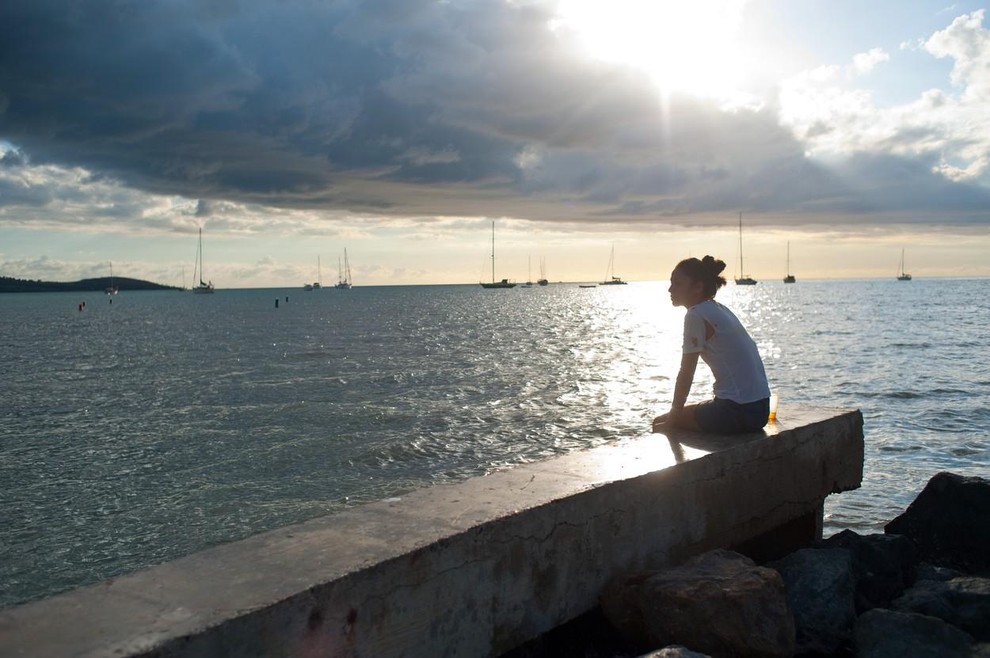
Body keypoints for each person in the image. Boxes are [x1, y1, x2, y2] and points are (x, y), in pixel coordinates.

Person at [652, 255, 771, 434]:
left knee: (660, 422)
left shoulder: (695, 315)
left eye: (677, 283)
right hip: (760, 410)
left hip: (736, 411)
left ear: (698, 287)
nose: (670, 289)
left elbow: (686, 373)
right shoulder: (719, 309)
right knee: (682, 415)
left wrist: (673, 418)